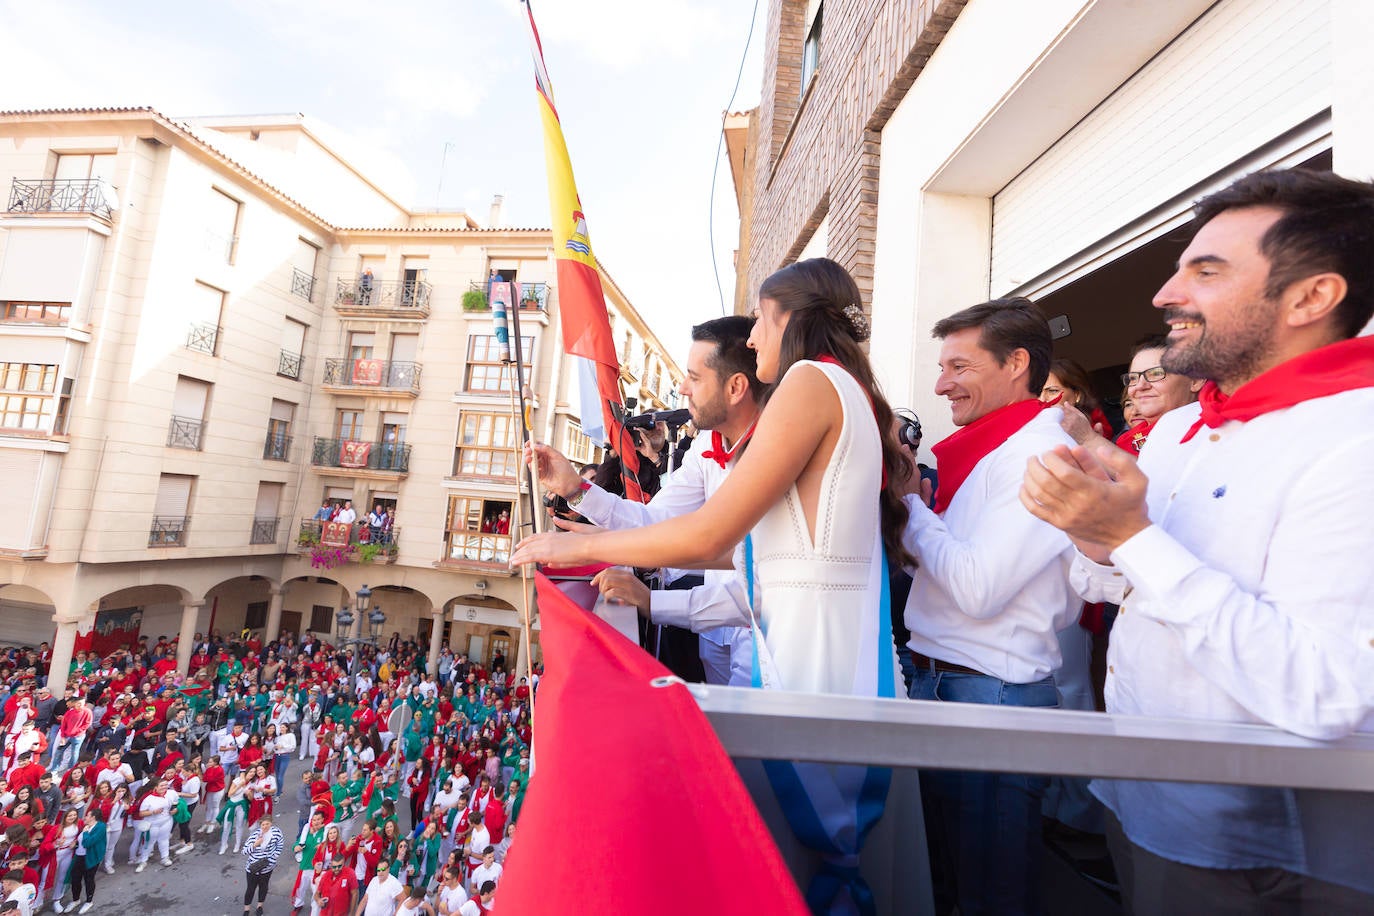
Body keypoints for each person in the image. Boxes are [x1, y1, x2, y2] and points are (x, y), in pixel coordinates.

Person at [511, 258, 913, 911]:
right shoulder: (841, 390)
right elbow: (756, 554)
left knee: (791, 859)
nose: (753, 338)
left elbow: (709, 538)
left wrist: (576, 544)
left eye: (763, 318)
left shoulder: (811, 383)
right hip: (819, 650)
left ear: (793, 318)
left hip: (811, 661)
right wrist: (592, 533)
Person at [1022, 169, 1374, 912]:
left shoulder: (1356, 440)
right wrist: (1093, 535)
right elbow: (1121, 588)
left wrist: (1130, 535)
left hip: (1256, 852)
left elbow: (1328, 695)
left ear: (1312, 298)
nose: (1163, 295)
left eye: (1204, 271)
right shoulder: (1184, 426)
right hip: (1137, 797)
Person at [900, 296, 1082, 914]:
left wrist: (911, 509)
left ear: (1017, 364)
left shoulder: (1038, 455)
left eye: (960, 367)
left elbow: (977, 587)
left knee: (988, 895)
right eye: (942, 366)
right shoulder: (987, 450)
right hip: (946, 686)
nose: (941, 384)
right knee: (945, 885)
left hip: (989, 695)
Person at [526, 315, 762, 687]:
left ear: (735, 387)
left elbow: (742, 566)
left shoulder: (775, 453)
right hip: (716, 633)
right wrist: (575, 489)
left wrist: (591, 548)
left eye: (695, 377)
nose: (682, 388)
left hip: (761, 639)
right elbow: (656, 522)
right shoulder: (705, 447)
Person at [1112, 334, 1201, 454]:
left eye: (1156, 373)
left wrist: (1090, 439)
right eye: (1133, 378)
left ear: (1196, 380)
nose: (1139, 386)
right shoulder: (1124, 442)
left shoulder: (1213, 431)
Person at [52, 808, 103, 914]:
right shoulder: (85, 826)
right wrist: (75, 844)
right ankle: (76, 900)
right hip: (79, 857)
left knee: (89, 879)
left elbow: (88, 843)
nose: (85, 817)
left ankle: (89, 901)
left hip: (91, 858)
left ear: (93, 817)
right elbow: (79, 840)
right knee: (75, 878)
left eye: (87, 816)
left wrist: (85, 833)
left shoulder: (100, 827)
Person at [240, 815, 283, 916]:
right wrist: (255, 844)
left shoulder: (276, 832)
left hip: (267, 868)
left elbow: (280, 845)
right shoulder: (255, 835)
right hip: (253, 868)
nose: (265, 826)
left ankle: (260, 906)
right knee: (250, 888)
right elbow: (244, 851)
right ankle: (246, 909)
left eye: (267, 824)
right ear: (260, 825)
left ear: (271, 823)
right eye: (263, 824)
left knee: (263, 887)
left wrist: (273, 859)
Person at [133, 777, 178, 872]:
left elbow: (176, 804)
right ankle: (143, 860)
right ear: (155, 787)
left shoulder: (171, 794)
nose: (164, 787)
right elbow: (141, 813)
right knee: (149, 842)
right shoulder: (148, 799)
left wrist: (175, 810)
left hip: (166, 821)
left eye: (166, 785)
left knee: (164, 840)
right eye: (162, 785)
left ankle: (165, 857)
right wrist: (153, 812)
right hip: (152, 824)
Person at [313, 852, 358, 916]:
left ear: (343, 864)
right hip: (325, 913)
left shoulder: (350, 873)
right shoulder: (325, 876)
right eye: (334, 867)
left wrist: (351, 913)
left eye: (339, 866)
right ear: (331, 865)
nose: (337, 869)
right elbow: (317, 893)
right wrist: (318, 900)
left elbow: (354, 894)